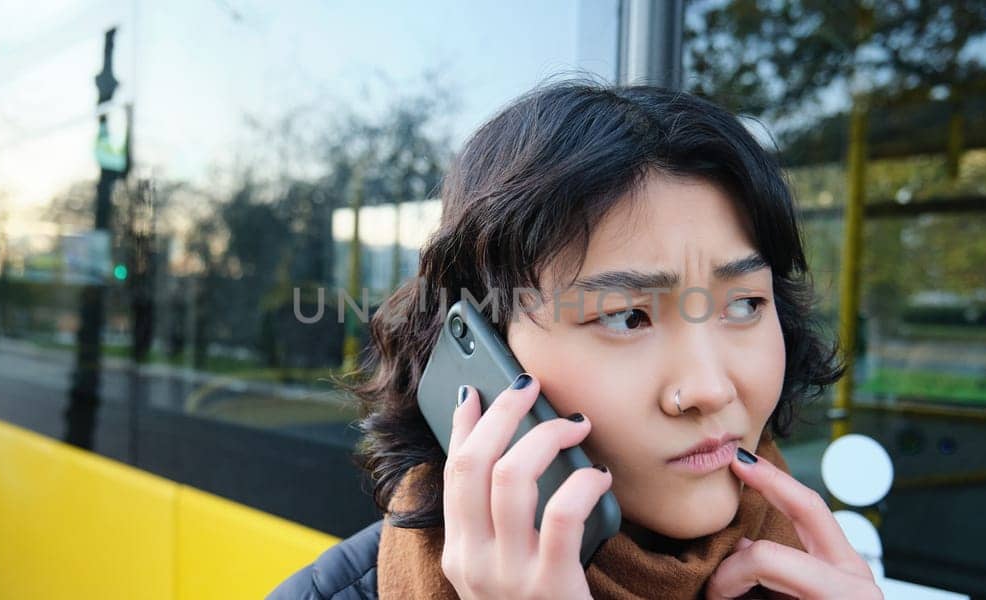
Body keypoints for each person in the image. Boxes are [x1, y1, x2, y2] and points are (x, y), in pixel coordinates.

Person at [273, 80, 880, 599]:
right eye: (627, 317)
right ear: (483, 350)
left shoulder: (814, 578)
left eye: (745, 304)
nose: (709, 388)